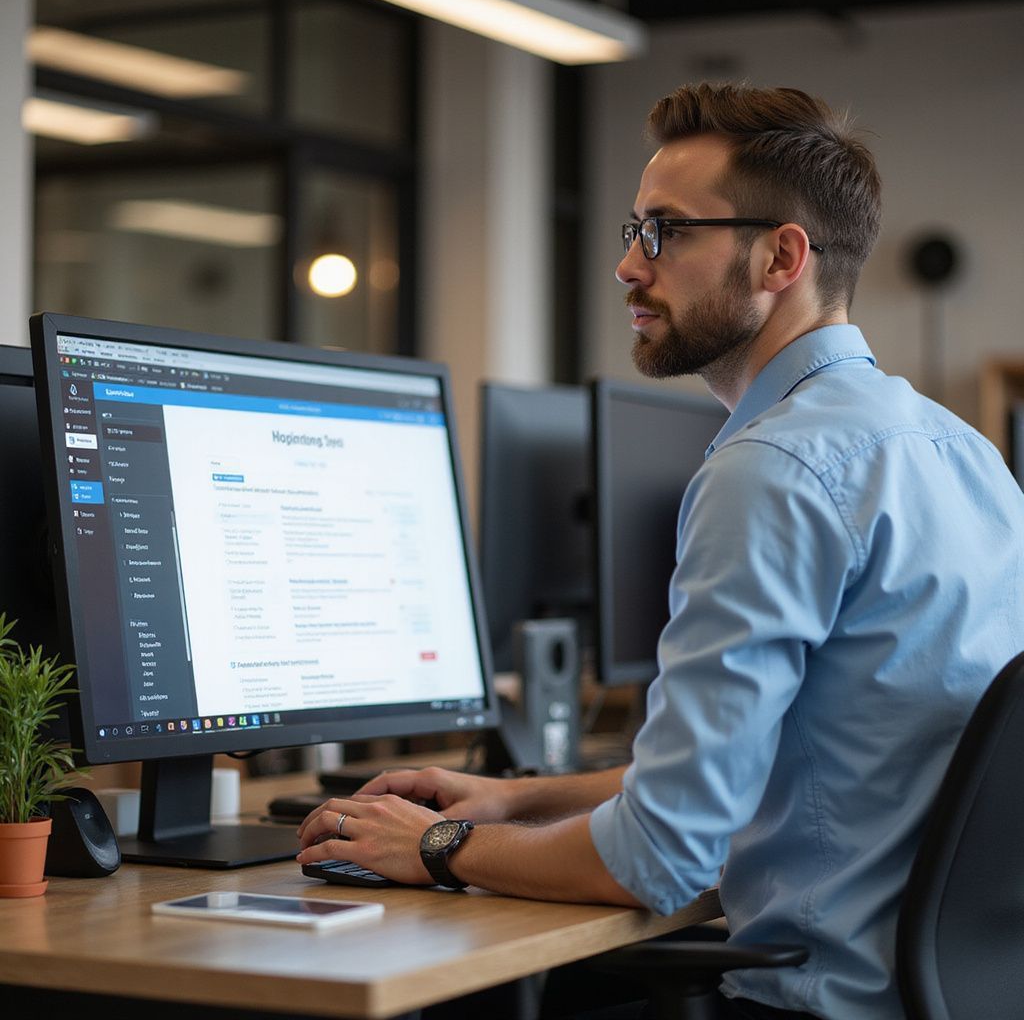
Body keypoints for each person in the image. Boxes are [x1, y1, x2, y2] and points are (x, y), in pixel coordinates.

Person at [297, 82, 1024, 1019]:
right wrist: (520, 802)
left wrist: (433, 846)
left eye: (665, 233)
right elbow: (800, 759)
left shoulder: (772, 471)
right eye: (635, 230)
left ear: (780, 256)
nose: (626, 268)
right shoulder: (966, 453)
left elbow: (661, 857)